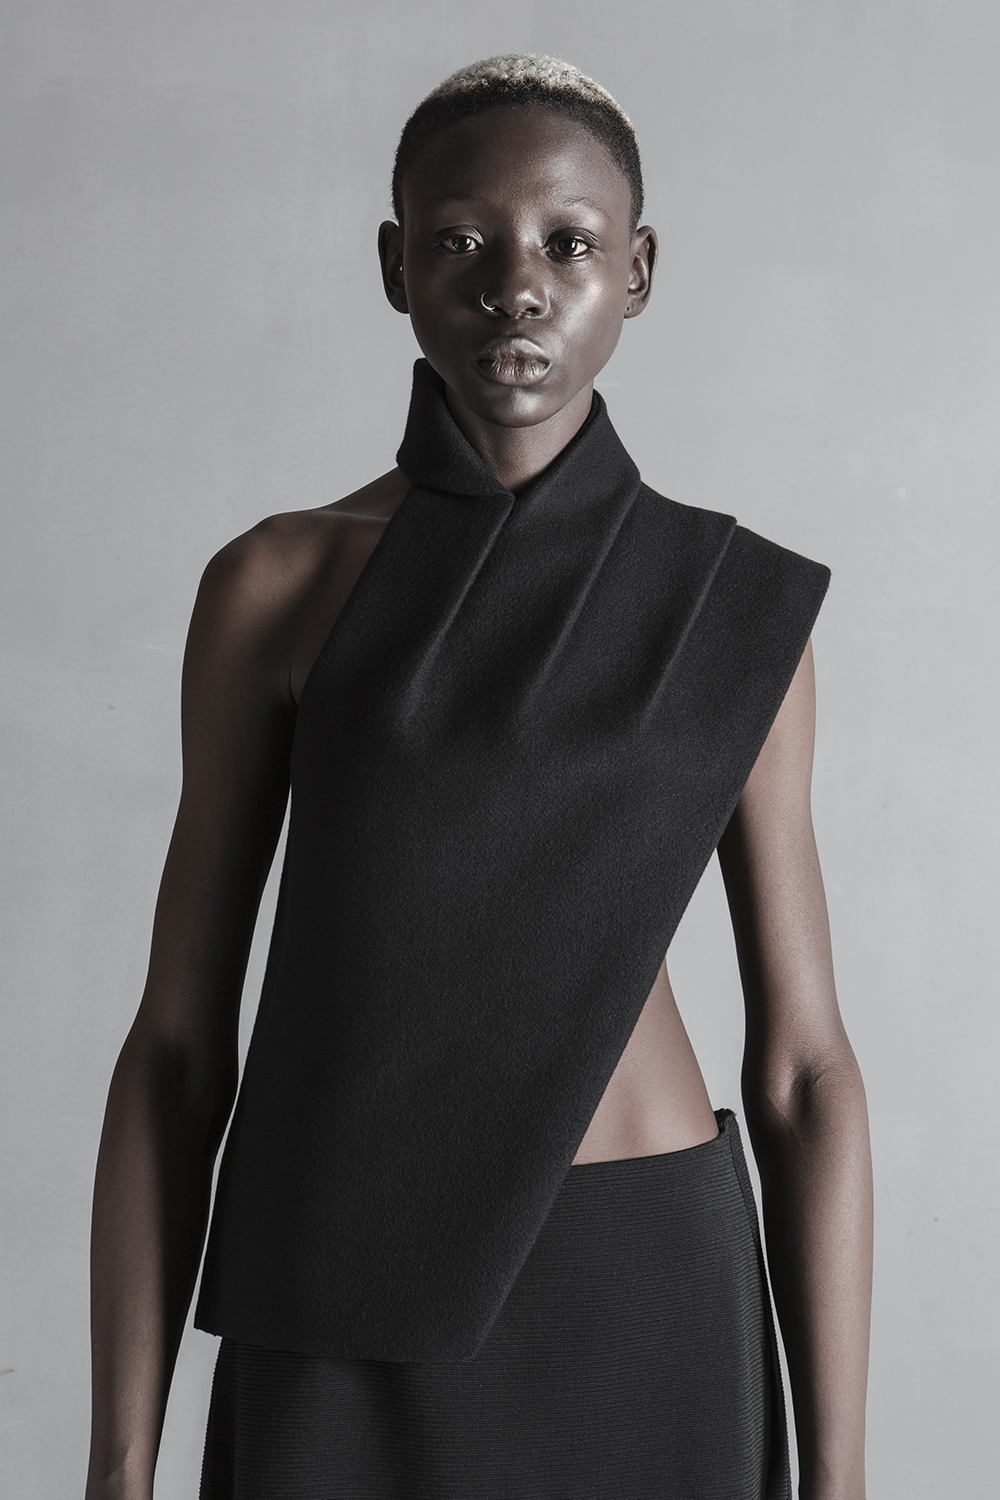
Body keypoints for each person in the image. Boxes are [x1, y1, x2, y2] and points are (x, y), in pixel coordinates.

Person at [85, 54, 873, 1500]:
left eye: (570, 244)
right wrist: (117, 1462)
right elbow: (179, 1049)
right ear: (397, 266)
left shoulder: (730, 605)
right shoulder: (275, 585)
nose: (519, 287)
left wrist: (844, 1477)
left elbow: (807, 1070)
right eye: (463, 239)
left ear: (637, 272)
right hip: (331, 1287)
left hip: (641, 1292)